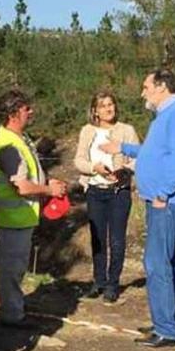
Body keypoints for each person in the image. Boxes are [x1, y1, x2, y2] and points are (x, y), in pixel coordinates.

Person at [100, 69, 175, 348]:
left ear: (162, 87)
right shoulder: (165, 116)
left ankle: (167, 330)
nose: (142, 92)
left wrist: (163, 192)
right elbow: (154, 152)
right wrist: (122, 147)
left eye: (146, 87)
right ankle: (168, 321)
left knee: (157, 262)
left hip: (170, 201)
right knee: (168, 260)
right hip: (165, 199)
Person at [0, 90, 67, 327]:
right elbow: (21, 186)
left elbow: (28, 175)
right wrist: (49, 192)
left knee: (16, 268)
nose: (31, 112)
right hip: (11, 219)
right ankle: (12, 315)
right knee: (11, 270)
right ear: (13, 114)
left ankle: (14, 308)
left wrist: (46, 183)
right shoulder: (8, 145)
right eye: (26, 109)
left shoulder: (18, 138)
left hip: (19, 218)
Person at [73, 91, 139, 304]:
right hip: (95, 190)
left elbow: (138, 157)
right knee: (98, 238)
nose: (108, 109)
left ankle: (113, 284)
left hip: (118, 191)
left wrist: (123, 171)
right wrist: (95, 168)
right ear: (95, 111)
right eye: (103, 106)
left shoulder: (127, 130)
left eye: (111, 104)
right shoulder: (87, 131)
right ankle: (98, 281)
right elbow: (79, 160)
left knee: (117, 240)